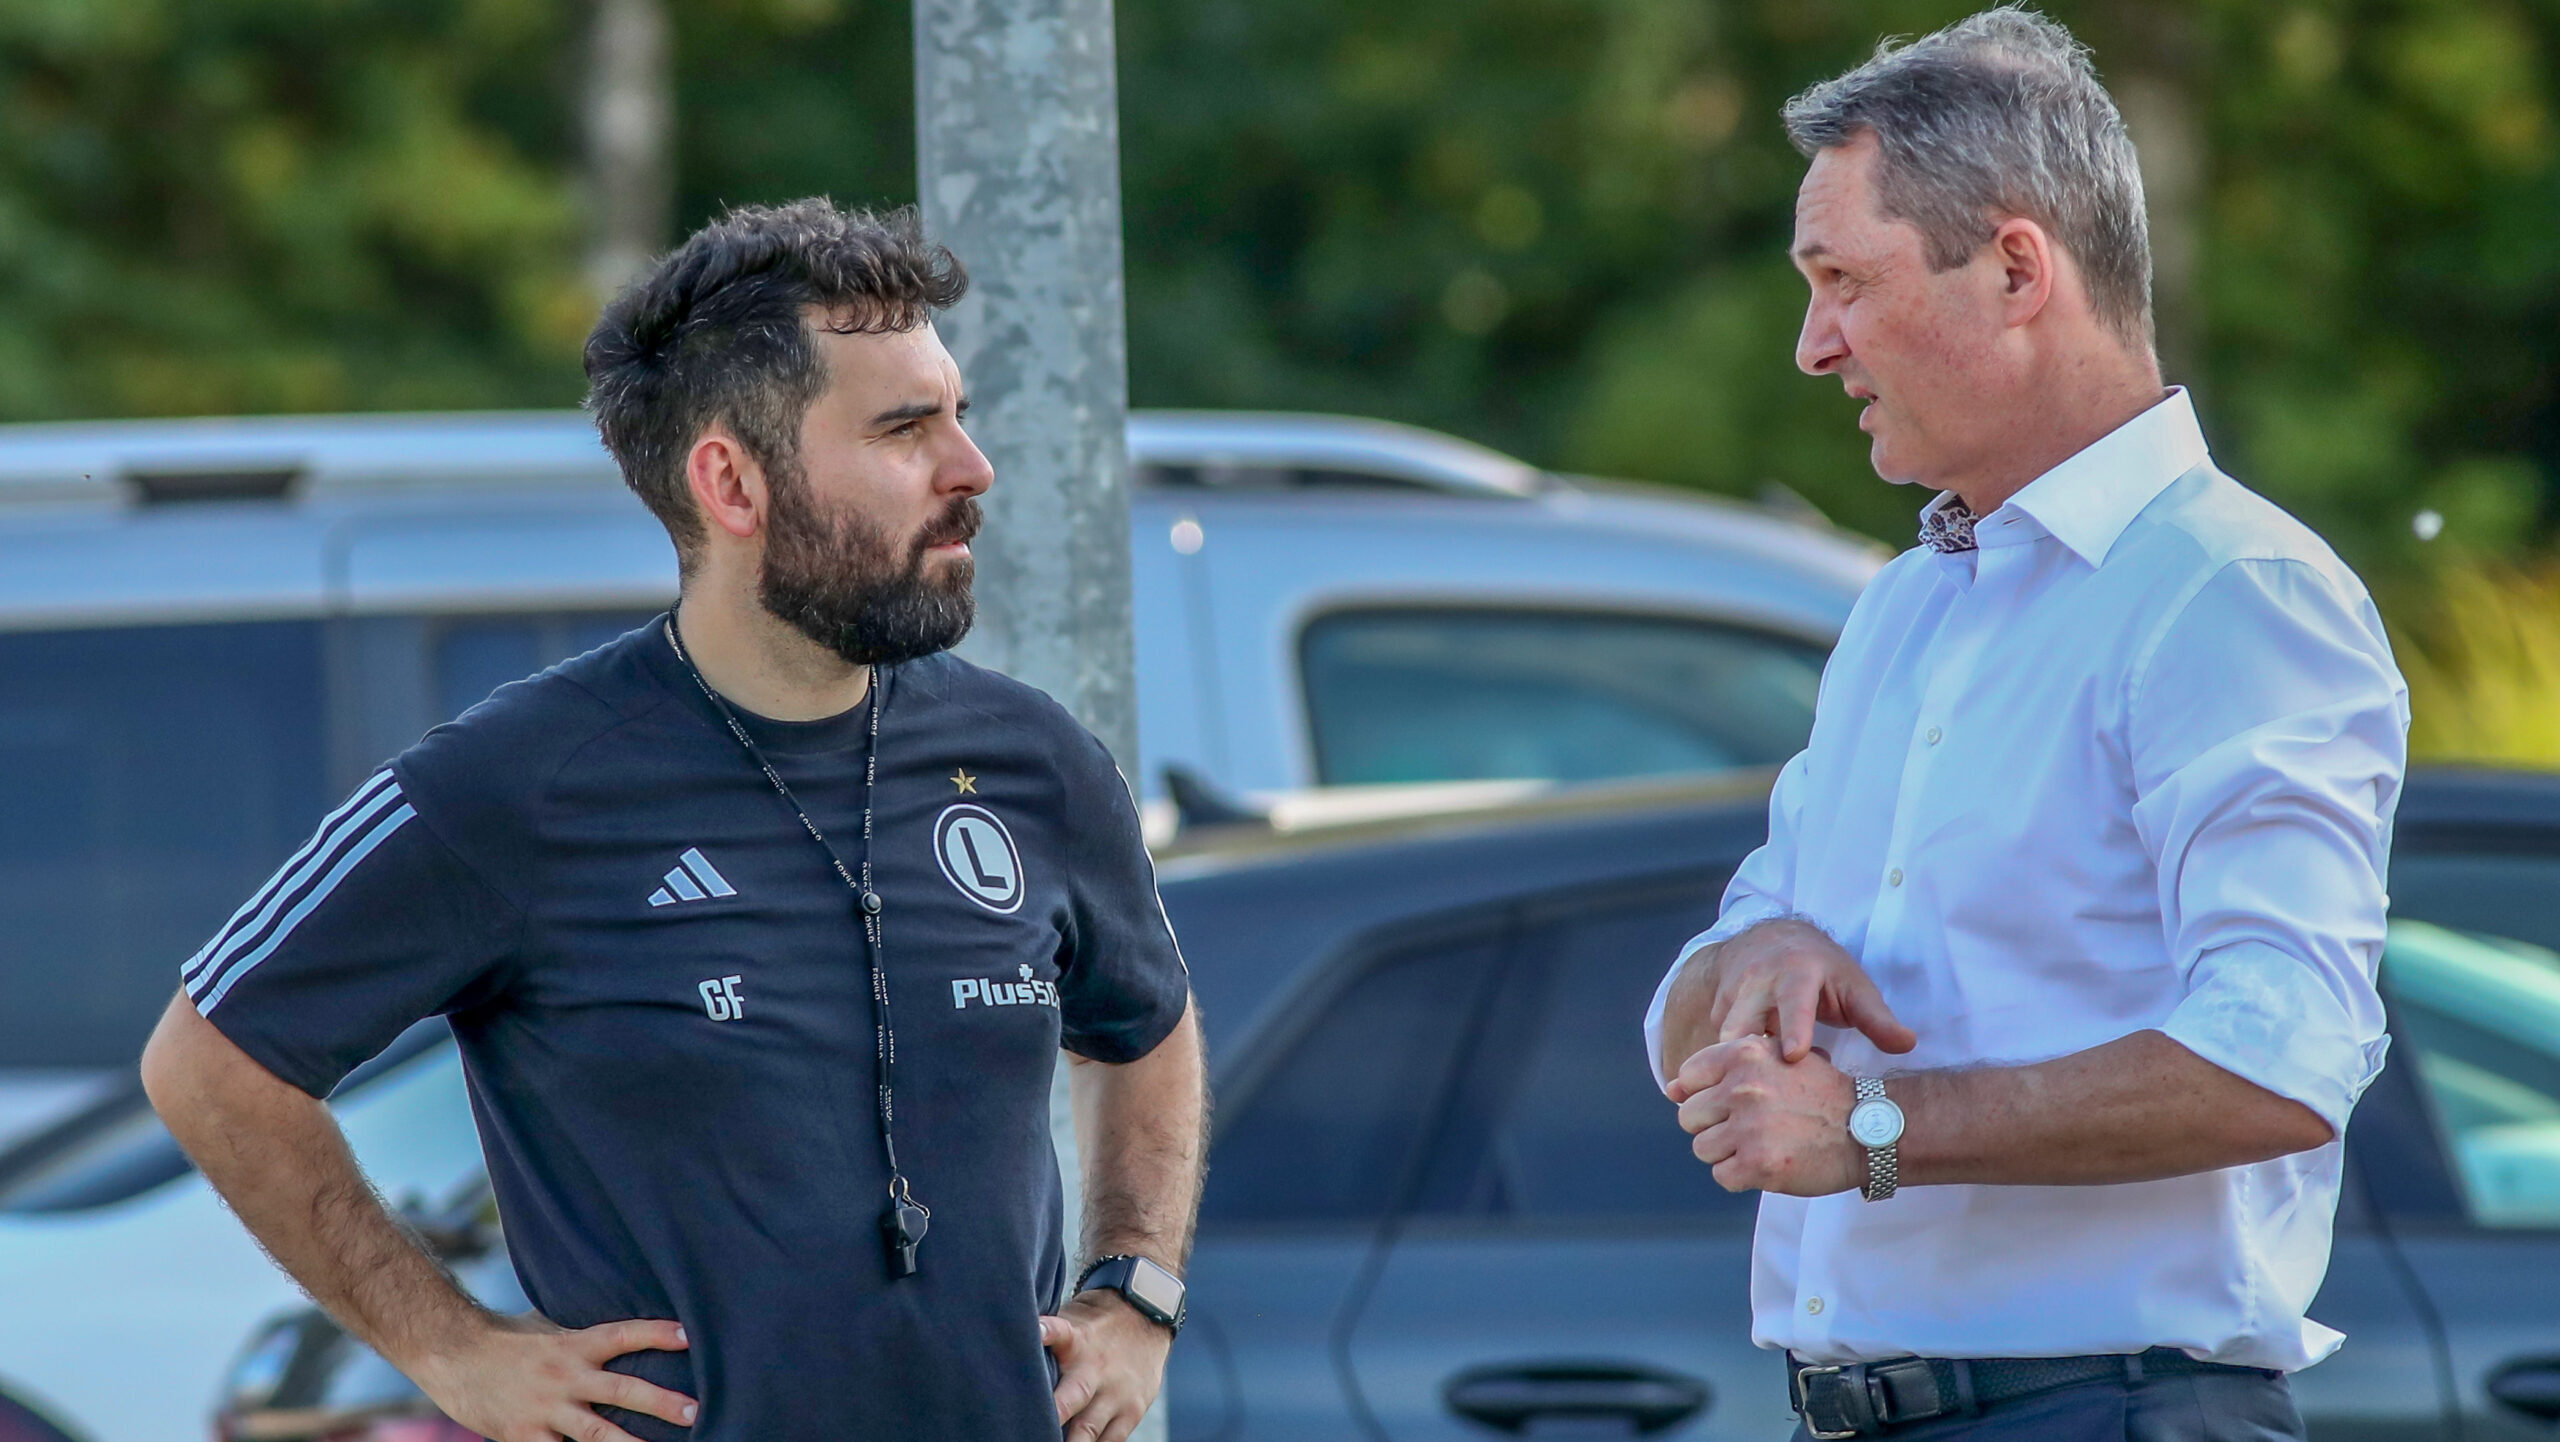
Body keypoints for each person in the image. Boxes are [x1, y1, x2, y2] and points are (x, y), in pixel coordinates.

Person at [141, 199, 1205, 1442]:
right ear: (730, 480)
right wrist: (449, 1347)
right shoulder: (517, 781)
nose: (970, 468)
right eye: (906, 428)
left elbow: (1147, 1028)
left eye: (956, 415)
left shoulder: (1033, 760)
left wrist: (1136, 1289)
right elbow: (209, 1059)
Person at [1642, 11, 2407, 1441]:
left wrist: (1874, 1132)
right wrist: (1753, 955)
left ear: (2014, 270)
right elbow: (1691, 1003)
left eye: (1842, 281)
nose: (1815, 346)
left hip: (2111, 1413)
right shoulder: (1902, 611)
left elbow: (2282, 1052)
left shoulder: (2236, 590)